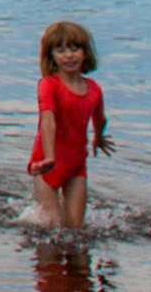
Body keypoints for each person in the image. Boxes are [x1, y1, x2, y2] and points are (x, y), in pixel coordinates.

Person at [19, 19, 111, 231]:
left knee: (74, 230)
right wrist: (50, 157)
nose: (69, 55)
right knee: (51, 225)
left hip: (76, 165)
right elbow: (48, 119)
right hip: (46, 163)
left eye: (74, 49)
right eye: (60, 50)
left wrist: (99, 137)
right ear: (51, 56)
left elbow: (100, 118)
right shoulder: (48, 85)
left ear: (85, 53)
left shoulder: (94, 89)